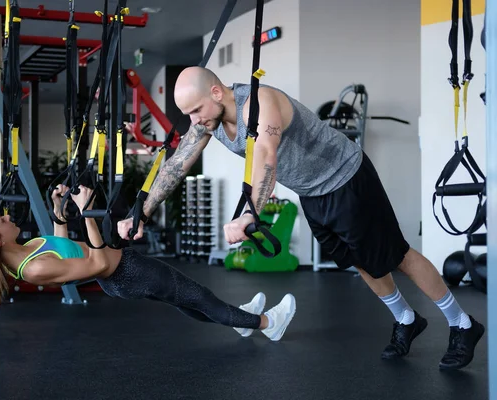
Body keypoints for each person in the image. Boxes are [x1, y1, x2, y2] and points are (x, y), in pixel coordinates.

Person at [117, 66, 485, 370]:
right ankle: (407, 320)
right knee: (360, 261)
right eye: (189, 114)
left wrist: (250, 214)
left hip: (346, 178)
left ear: (216, 93)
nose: (194, 120)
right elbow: (178, 163)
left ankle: (462, 324)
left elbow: (266, 156)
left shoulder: (261, 103)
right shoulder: (209, 121)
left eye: (196, 110)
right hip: (313, 193)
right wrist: (143, 212)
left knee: (397, 256)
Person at [0, 184, 296, 342]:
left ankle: (240, 321)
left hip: (123, 272)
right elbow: (98, 263)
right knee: (199, 296)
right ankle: (267, 323)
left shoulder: (22, 254)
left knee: (185, 299)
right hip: (125, 272)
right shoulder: (33, 268)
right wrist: (87, 212)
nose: (7, 216)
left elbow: (64, 245)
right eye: (0, 218)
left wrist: (59, 210)